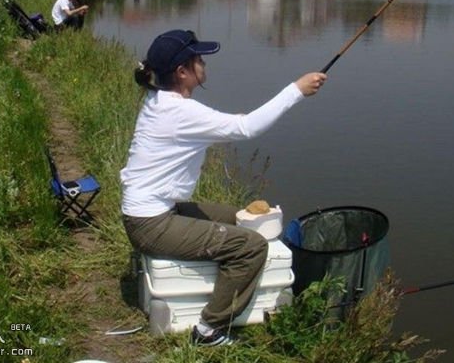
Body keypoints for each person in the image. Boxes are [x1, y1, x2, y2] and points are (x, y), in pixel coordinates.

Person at [120, 29, 327, 346]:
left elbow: (230, 124)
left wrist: (239, 120)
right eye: (199, 58)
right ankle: (208, 329)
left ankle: (225, 295)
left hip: (151, 212)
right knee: (251, 246)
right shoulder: (181, 112)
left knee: (242, 217)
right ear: (182, 71)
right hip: (151, 223)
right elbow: (247, 129)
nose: (204, 63)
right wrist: (296, 90)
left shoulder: (161, 100)